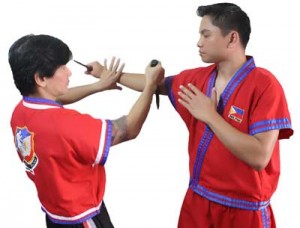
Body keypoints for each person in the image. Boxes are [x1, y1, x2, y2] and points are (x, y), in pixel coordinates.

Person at [91, 3, 294, 228]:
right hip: (198, 203)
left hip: (244, 212)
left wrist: (210, 115)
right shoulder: (197, 79)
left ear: (232, 38)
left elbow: (259, 157)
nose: (199, 42)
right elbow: (157, 85)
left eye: (206, 35)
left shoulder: (265, 85)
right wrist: (107, 75)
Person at [8, 34, 164, 227]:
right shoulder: (66, 125)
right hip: (81, 216)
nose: (69, 73)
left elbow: (55, 99)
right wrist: (150, 84)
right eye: (62, 68)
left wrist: (98, 86)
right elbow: (128, 129)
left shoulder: (20, 111)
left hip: (55, 211)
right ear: (41, 78)